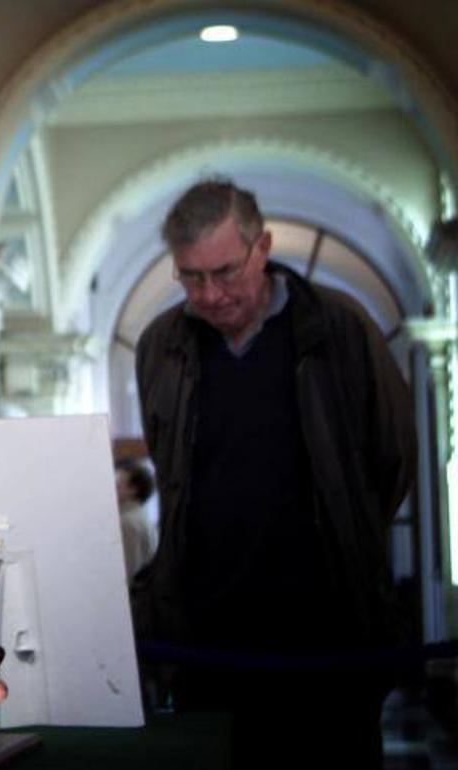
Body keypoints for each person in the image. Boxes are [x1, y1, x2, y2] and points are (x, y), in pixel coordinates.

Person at [132, 178, 416, 769]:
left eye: (225, 272)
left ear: (262, 248)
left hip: (326, 643)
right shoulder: (162, 345)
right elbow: (174, 471)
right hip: (206, 644)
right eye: (191, 277)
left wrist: (344, 537)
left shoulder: (340, 330)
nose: (209, 295)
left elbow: (393, 461)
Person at [115, 459, 157, 581]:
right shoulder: (137, 514)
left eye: (117, 485)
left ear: (133, 490)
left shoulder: (128, 523)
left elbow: (128, 573)